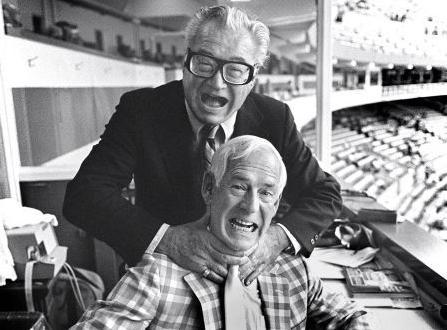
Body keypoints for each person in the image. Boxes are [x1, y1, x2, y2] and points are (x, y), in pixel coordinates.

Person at [63, 5, 342, 284]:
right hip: (163, 278)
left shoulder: (275, 118)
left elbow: (324, 193)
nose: (216, 83)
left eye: (235, 70)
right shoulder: (142, 111)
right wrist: (169, 239)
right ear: (186, 61)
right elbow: (84, 195)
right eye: (205, 63)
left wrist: (275, 239)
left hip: (244, 282)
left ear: (253, 77)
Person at [71, 136, 370, 329]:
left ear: (277, 204)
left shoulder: (294, 270)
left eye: (266, 193)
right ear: (209, 189)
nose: (250, 206)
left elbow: (348, 317)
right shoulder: (157, 276)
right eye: (239, 187)